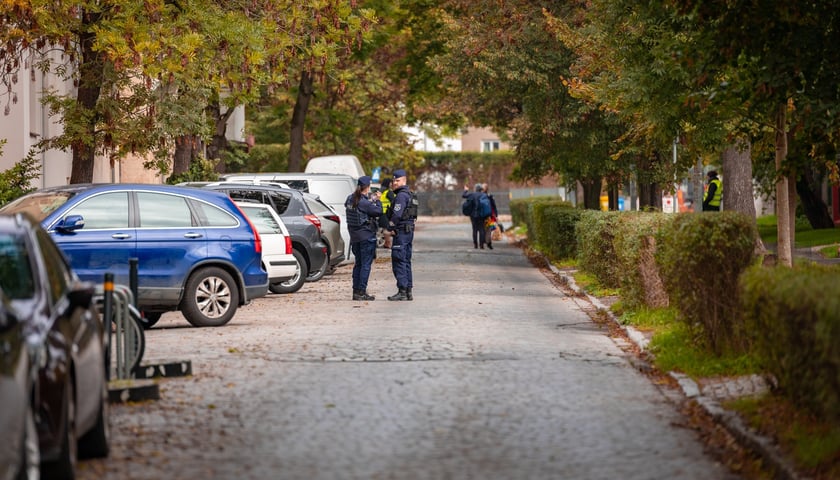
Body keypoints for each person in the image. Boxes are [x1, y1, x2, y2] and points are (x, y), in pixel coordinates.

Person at [345, 175, 382, 301]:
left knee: (358, 264)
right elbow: (378, 211)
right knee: (366, 265)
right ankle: (362, 292)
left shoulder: (350, 199)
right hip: (366, 236)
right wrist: (377, 200)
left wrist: (370, 199)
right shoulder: (364, 202)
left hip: (355, 237)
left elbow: (360, 206)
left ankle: (356, 291)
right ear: (367, 187)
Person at [387, 169, 417, 301]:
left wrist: (391, 226)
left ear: (404, 180)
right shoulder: (410, 194)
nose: (395, 183)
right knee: (406, 261)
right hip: (408, 231)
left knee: (399, 260)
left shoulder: (401, 196)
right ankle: (408, 290)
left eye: (398, 180)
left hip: (401, 232)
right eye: (394, 180)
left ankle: (402, 291)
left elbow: (397, 214)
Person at [462, 183, 489, 249]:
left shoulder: (472, 195)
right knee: (482, 229)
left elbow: (463, 195)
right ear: (481, 189)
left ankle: (475, 244)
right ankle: (481, 245)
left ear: (475, 189)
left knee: (474, 229)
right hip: (482, 215)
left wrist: (466, 190)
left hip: (473, 215)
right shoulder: (484, 195)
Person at [378, 177, 394, 249]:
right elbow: (394, 201)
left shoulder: (380, 191)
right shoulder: (388, 192)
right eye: (391, 183)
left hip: (381, 212)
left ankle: (387, 243)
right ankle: (388, 244)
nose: (392, 184)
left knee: (385, 229)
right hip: (386, 213)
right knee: (387, 229)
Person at [482, 183, 499, 250]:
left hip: (483, 215)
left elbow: (494, 206)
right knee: (488, 229)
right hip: (489, 215)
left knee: (485, 228)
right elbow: (494, 206)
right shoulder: (490, 196)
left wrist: (496, 214)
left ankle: (484, 242)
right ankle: (488, 242)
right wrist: (496, 215)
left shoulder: (480, 196)